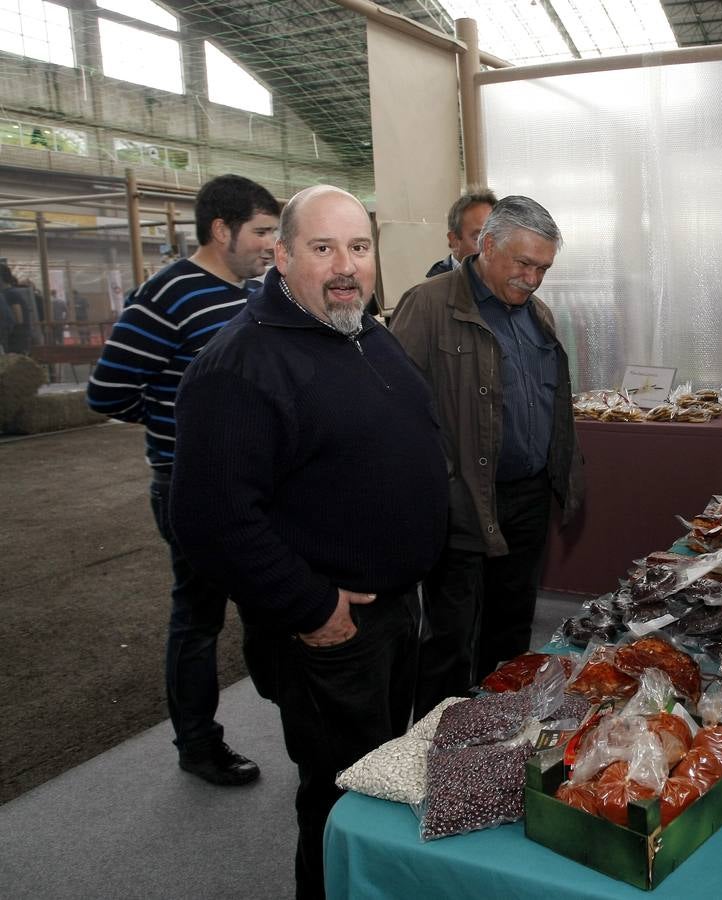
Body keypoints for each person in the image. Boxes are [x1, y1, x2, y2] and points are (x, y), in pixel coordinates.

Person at [169, 185, 448, 899]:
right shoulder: (240, 366)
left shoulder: (364, 333)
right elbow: (211, 522)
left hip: (395, 614)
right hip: (330, 630)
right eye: (323, 249)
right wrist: (311, 607)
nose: (345, 265)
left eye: (358, 247)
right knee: (341, 800)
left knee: (384, 779)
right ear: (283, 255)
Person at [85, 174, 281, 787]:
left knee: (271, 604)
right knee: (197, 618)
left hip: (252, 484)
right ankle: (198, 744)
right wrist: (189, 422)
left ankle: (297, 721)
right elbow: (107, 392)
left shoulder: (250, 292)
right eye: (262, 232)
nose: (272, 247)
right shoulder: (167, 293)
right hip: (189, 485)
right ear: (221, 230)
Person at [390, 194, 583, 718]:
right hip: (461, 502)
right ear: (486, 245)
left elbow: (549, 401)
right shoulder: (428, 305)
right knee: (451, 637)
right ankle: (432, 748)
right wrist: (440, 485)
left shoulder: (536, 314)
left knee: (511, 629)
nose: (533, 279)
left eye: (543, 267)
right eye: (523, 263)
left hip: (526, 498)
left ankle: (499, 736)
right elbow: (394, 413)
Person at [424, 187, 497, 278]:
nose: (490, 248)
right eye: (479, 239)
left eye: (497, 238)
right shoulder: (432, 290)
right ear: (454, 241)